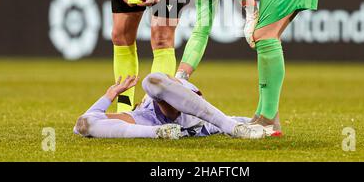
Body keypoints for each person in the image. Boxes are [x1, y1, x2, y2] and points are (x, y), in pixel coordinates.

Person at [151, 0, 323, 136]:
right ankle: (264, 117)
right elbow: (201, 31)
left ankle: (268, 118)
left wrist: (251, 14)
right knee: (267, 38)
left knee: (263, 35)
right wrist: (181, 77)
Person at [73, 74, 266, 139]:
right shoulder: (143, 112)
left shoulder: (174, 86)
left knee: (151, 81)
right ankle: (159, 132)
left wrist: (248, 122)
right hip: (153, 121)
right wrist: (110, 95)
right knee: (84, 124)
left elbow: (239, 119)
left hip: (182, 115)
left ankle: (231, 128)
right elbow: (81, 125)